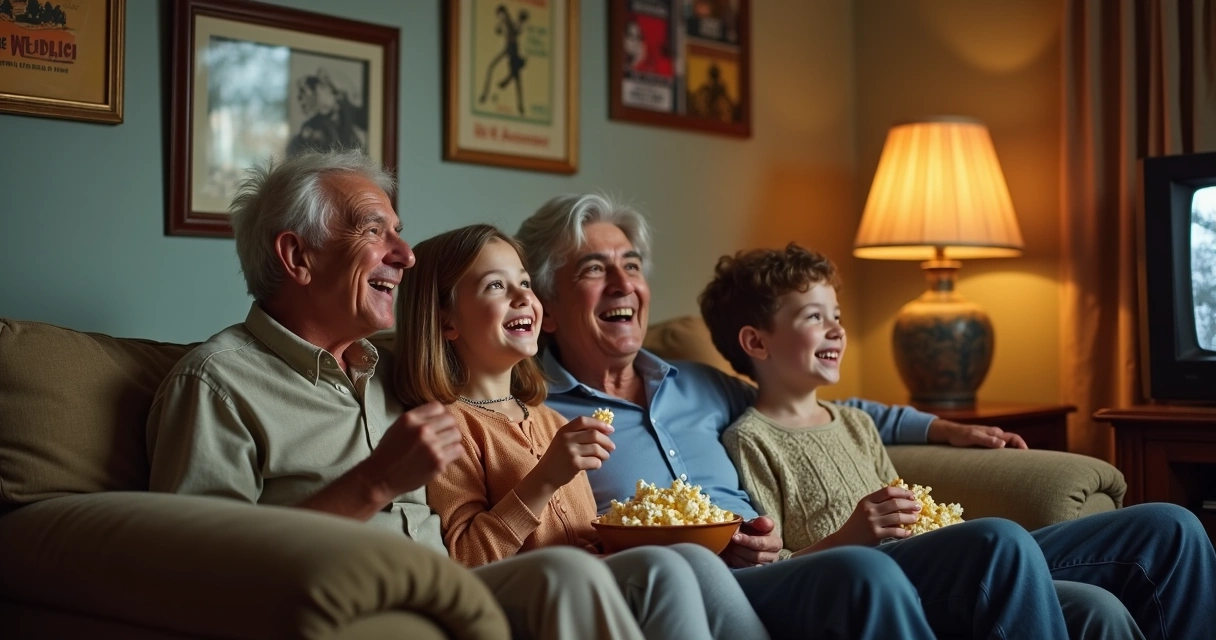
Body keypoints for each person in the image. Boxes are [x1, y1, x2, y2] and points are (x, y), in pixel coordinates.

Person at [516, 193, 1216, 640]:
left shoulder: (698, 383)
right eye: (592, 269)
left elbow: (826, 409)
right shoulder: (538, 415)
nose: (623, 284)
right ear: (545, 299)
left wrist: (944, 429)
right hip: (731, 587)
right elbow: (538, 534)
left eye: (631, 265)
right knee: (991, 545)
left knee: (1171, 528)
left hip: (794, 560)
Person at [145, 151, 670, 640]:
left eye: (399, 231)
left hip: (455, 595)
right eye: (375, 231)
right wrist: (376, 481)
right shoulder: (218, 385)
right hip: (356, 610)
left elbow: (497, 369)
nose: (406, 256)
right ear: (297, 256)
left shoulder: (400, 374)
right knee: (567, 575)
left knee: (655, 567)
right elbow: (202, 576)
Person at [702, 243, 1144, 639]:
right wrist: (853, 534)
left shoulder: (857, 422)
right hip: (886, 590)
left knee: (1108, 594)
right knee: (997, 538)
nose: (837, 329)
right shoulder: (750, 441)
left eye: (836, 315)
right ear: (756, 342)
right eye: (814, 316)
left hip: (938, 565)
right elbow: (776, 573)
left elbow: (907, 512)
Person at [394, 223, 769, 640]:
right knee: (660, 568)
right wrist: (546, 477)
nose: (523, 298)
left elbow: (581, 538)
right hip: (527, 601)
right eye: (496, 286)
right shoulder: (445, 427)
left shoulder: (550, 420)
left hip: (589, 585)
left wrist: (603, 544)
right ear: (446, 321)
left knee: (695, 560)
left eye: (525, 283)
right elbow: (465, 560)